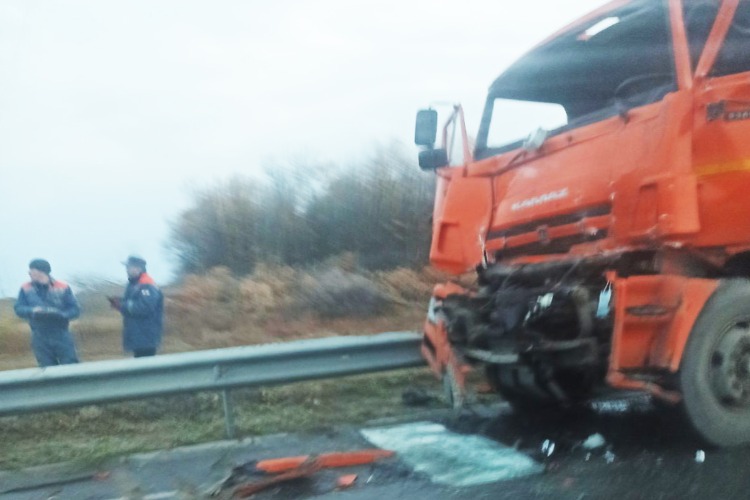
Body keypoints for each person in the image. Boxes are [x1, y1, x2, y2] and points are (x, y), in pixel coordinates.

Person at [14, 259, 80, 367]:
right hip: (39, 335)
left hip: (61, 334)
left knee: (70, 366)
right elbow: (18, 309)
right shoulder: (25, 288)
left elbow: (75, 310)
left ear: (42, 271)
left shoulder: (63, 287)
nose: (29, 273)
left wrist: (62, 315)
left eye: (32, 270)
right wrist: (32, 311)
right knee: (46, 370)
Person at [110, 255, 163, 357]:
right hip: (139, 335)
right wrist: (119, 304)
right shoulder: (134, 284)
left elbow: (145, 307)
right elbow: (132, 303)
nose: (126, 270)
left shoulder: (146, 284)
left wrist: (122, 305)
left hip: (145, 335)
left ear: (138, 268)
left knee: (146, 368)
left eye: (129, 267)